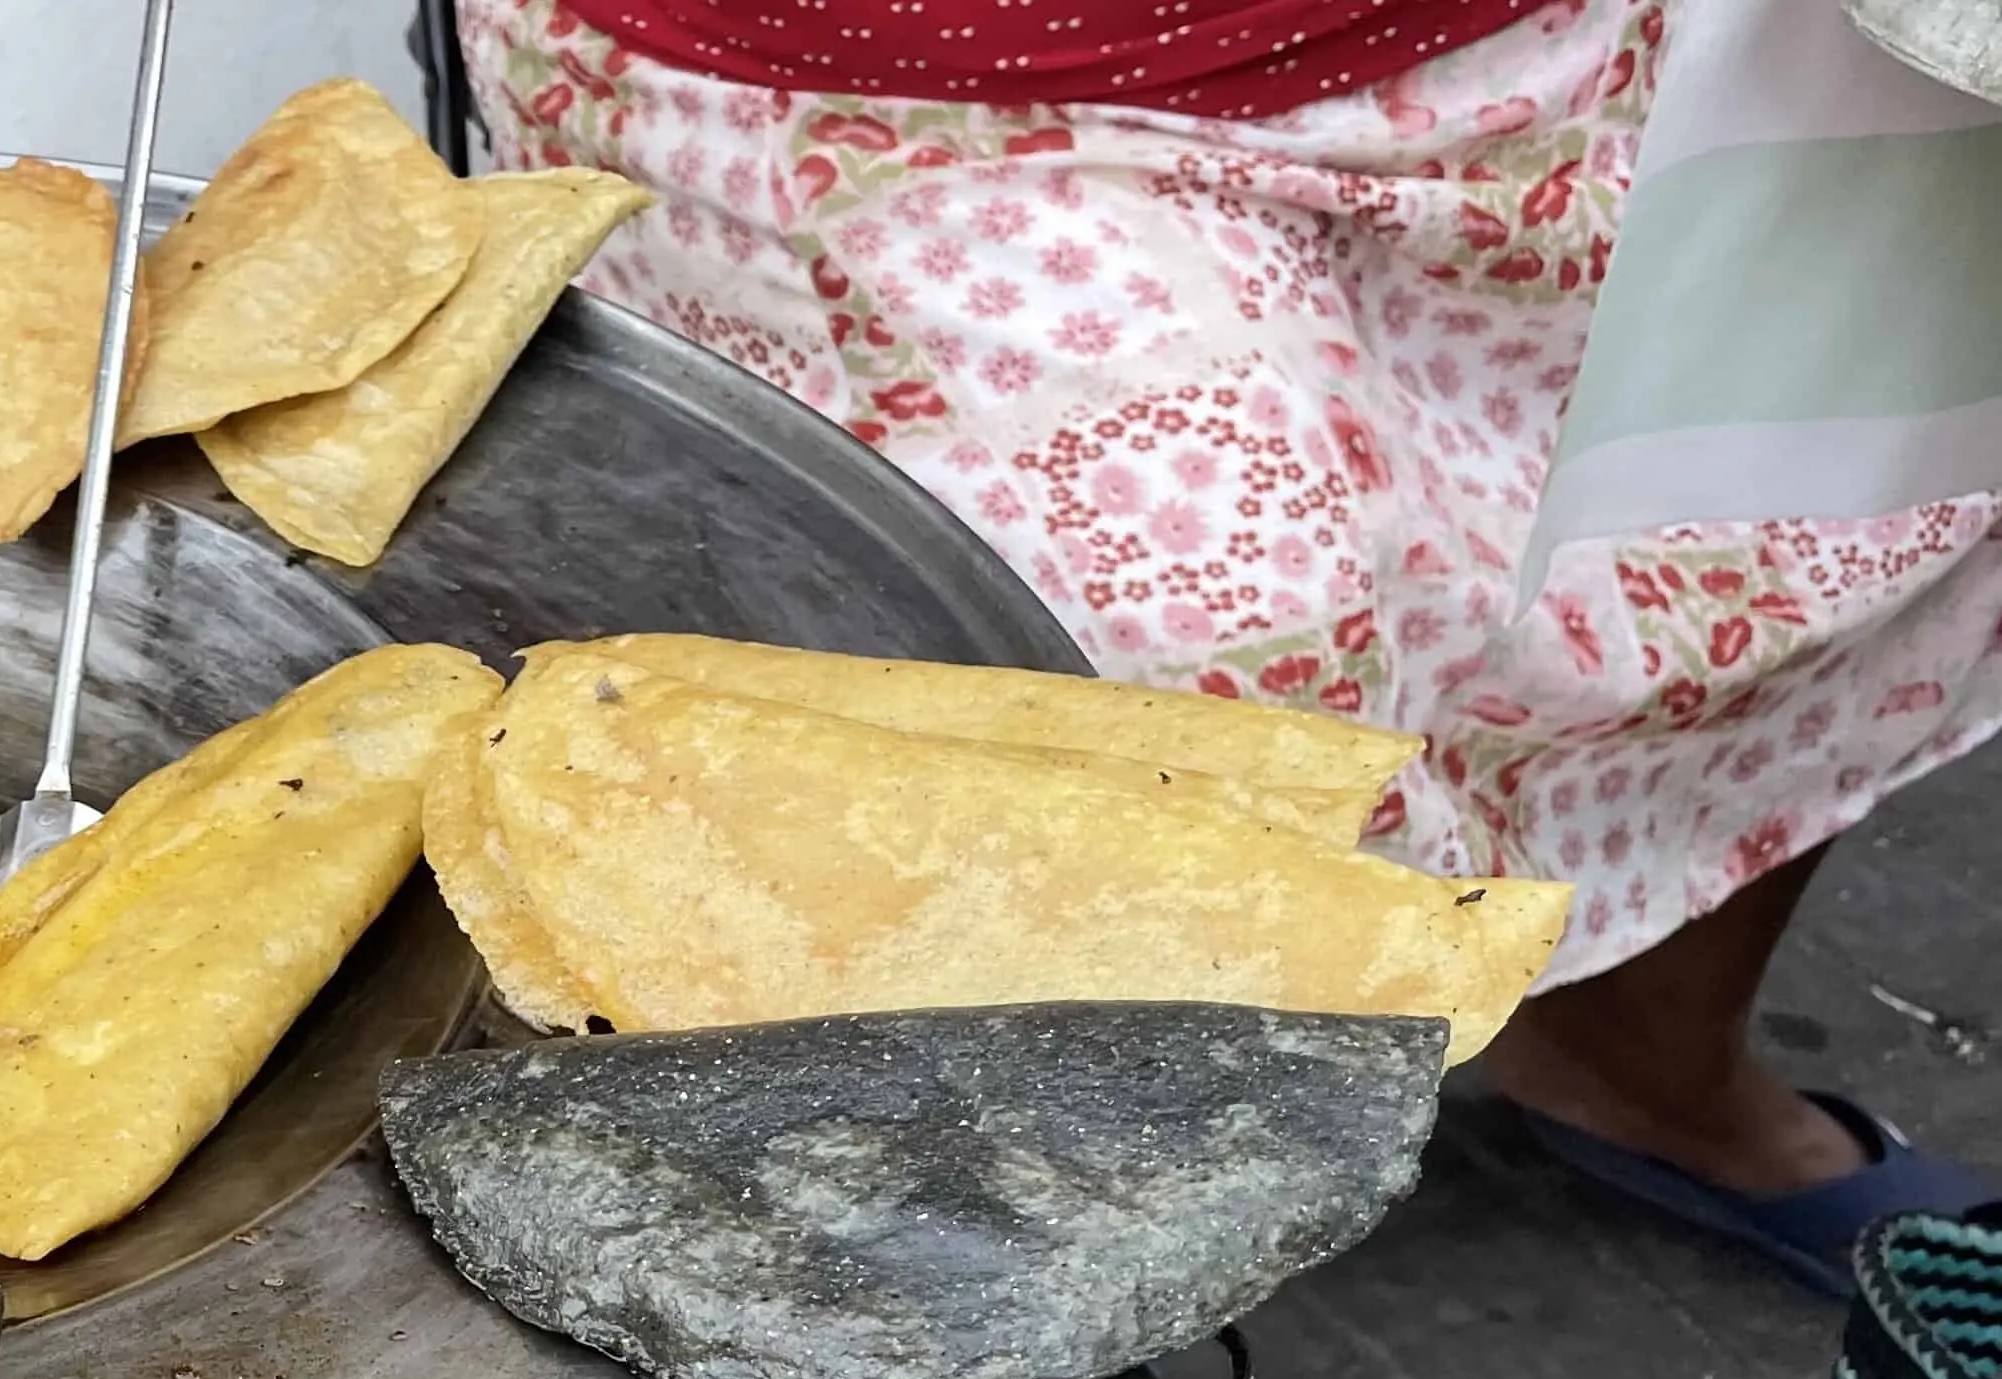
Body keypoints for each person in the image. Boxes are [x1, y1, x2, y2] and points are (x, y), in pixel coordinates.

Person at [458, 0, 1999, 1292]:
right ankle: (996, 1277)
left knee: (1798, 527)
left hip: (1532, 40)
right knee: (1177, 736)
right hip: (914, 73)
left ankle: (1637, 1070)